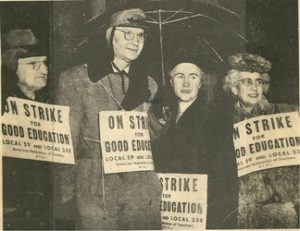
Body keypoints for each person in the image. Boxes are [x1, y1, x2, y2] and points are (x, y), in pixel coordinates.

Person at [55, 8, 162, 230]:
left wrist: (159, 120)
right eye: (127, 34)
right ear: (110, 36)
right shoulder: (76, 79)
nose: (135, 42)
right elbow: (65, 144)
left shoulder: (149, 83)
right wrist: (66, 196)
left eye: (141, 35)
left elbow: (148, 140)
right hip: (96, 181)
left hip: (139, 184)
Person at [153, 50, 239, 229]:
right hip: (170, 214)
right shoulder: (164, 115)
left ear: (201, 82)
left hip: (202, 216)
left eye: (193, 77)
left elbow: (225, 177)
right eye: (179, 76)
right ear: (170, 81)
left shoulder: (217, 118)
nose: (186, 83)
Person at [223, 52, 299, 228]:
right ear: (234, 88)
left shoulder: (286, 112)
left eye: (259, 81)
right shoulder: (226, 122)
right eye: (247, 82)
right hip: (245, 211)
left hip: (285, 209)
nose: (255, 87)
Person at [1, 29, 52, 230]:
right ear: (12, 68)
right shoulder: (4, 107)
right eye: (33, 64)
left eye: (45, 63)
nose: (44, 70)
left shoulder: (48, 104)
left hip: (43, 201)